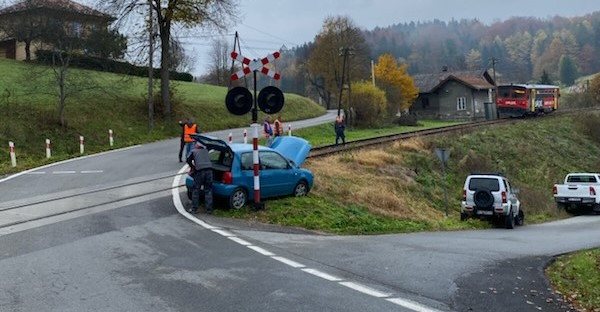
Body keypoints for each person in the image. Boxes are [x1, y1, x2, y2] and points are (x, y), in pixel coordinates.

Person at [186, 142, 213, 214]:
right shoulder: (206, 150)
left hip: (199, 172)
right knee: (208, 190)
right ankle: (209, 210)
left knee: (196, 190)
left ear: (197, 145)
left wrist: (192, 167)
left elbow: (188, 160)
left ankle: (194, 209)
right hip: (209, 171)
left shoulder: (193, 151)